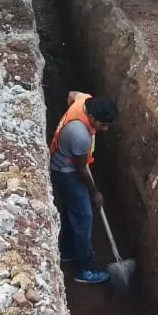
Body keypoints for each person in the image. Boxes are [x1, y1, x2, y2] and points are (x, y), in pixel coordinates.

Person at [49, 92, 118, 284]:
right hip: (66, 171)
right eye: (103, 125)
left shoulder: (83, 101)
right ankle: (83, 270)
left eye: (109, 125)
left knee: (75, 212)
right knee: (83, 217)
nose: (105, 129)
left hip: (66, 161)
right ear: (92, 118)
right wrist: (94, 192)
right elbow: (81, 168)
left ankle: (67, 251)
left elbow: (70, 94)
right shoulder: (80, 135)